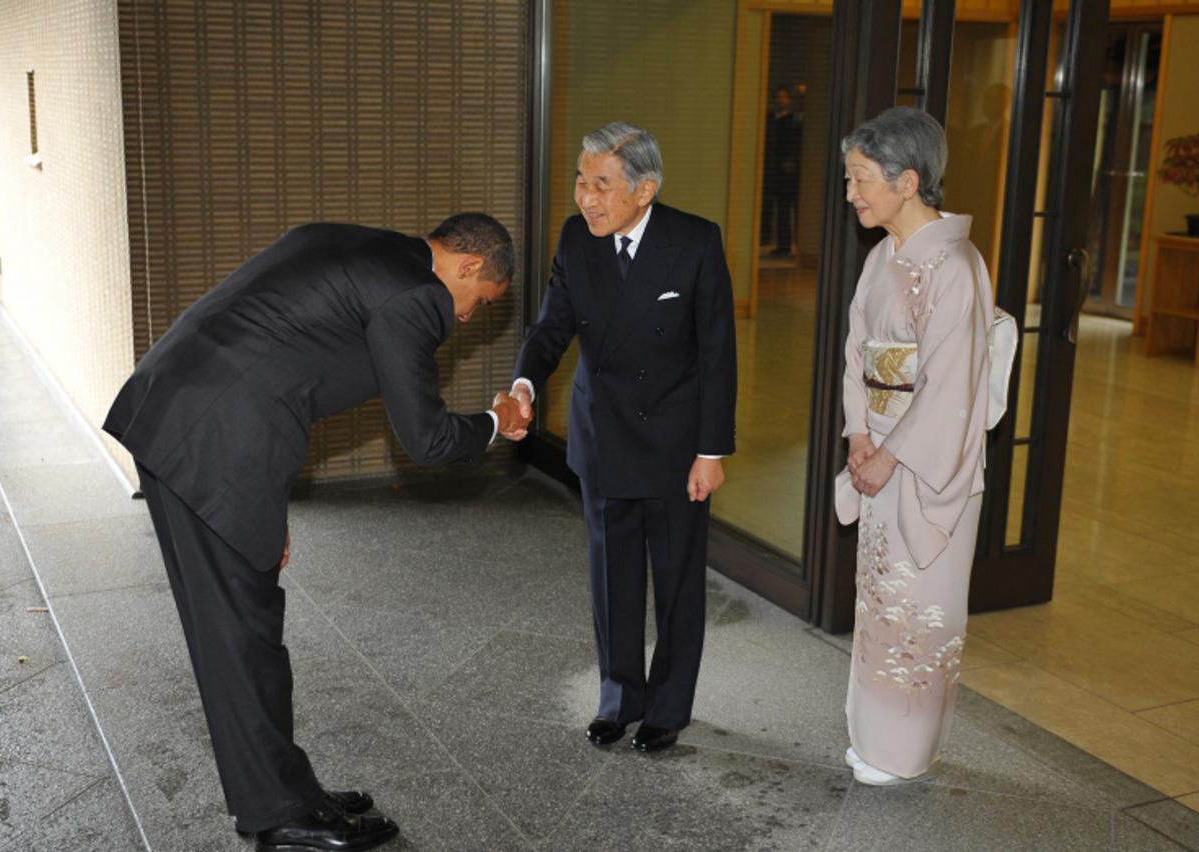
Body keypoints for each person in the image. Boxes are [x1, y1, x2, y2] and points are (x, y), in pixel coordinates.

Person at [103, 214, 527, 851]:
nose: (464, 318)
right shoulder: (416, 296)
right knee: (242, 638)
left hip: (182, 417)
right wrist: (496, 421)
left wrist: (265, 504)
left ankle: (291, 791)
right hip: (214, 444)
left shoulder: (354, 241)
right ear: (469, 266)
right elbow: (429, 437)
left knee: (243, 630)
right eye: (477, 304)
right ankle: (279, 815)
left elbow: (275, 358)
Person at [501, 122, 737, 753]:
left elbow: (718, 354)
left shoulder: (694, 242)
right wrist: (524, 385)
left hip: (674, 445)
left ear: (645, 189)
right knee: (613, 578)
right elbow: (552, 327)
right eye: (581, 181)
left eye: (601, 184)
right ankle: (619, 697)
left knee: (678, 581)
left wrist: (711, 452)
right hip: (602, 436)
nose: (585, 196)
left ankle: (667, 708)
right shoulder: (578, 239)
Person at [834, 107, 994, 785]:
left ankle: (902, 754)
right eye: (850, 178)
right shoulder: (883, 255)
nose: (852, 193)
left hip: (926, 466)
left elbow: (952, 384)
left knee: (918, 606)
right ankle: (878, 738)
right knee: (880, 601)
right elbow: (857, 355)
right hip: (882, 452)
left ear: (908, 180)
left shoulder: (955, 266)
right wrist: (861, 433)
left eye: (861, 179)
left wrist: (890, 452)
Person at [761, 85, 804, 257]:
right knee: (766, 206)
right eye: (777, 97)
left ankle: (784, 245)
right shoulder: (768, 119)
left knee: (785, 208)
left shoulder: (794, 121)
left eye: (784, 97)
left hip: (787, 173)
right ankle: (766, 239)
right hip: (769, 169)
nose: (781, 100)